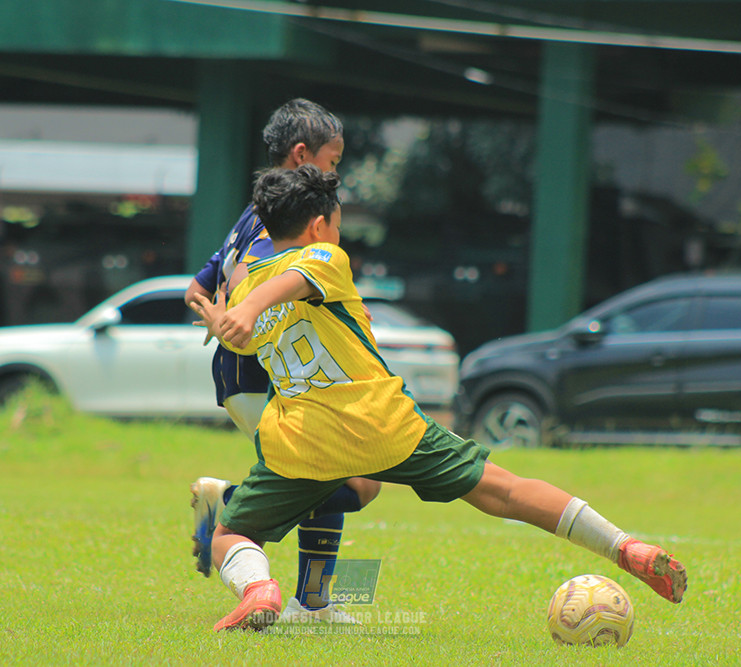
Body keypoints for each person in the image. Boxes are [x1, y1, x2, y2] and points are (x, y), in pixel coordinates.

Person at [189, 164, 688, 632]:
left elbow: (251, 326)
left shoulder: (252, 280)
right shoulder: (324, 257)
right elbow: (293, 282)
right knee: (504, 490)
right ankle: (626, 549)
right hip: (383, 426)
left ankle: (259, 588)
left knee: (228, 535)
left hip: (301, 445)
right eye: (338, 224)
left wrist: (229, 315)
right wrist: (244, 310)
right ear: (320, 225)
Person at [183, 98, 381, 624]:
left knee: (335, 477)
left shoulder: (254, 211)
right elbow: (255, 270)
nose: (336, 173)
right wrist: (242, 317)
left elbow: (194, 289)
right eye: (333, 161)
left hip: (244, 371)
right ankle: (229, 502)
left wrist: (221, 317)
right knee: (354, 481)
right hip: (264, 372)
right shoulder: (280, 221)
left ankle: (313, 603)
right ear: (302, 155)